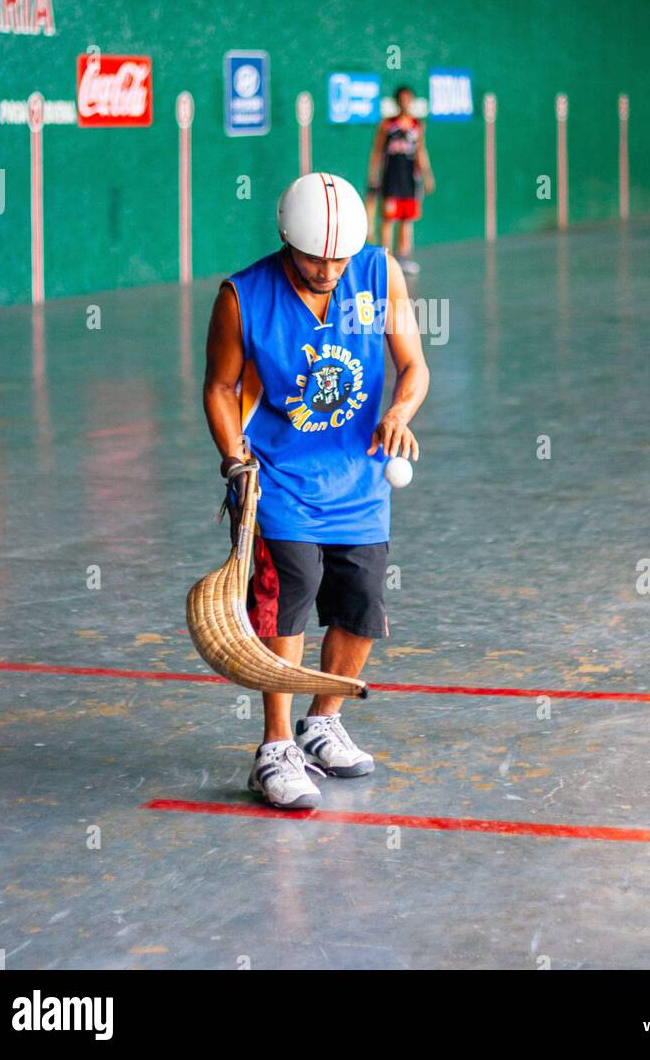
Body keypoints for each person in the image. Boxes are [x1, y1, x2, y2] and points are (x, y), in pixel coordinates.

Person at [203, 173, 430, 809]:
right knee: (288, 596)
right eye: (312, 257)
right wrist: (233, 460)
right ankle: (274, 748)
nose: (329, 269)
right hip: (279, 479)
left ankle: (322, 721)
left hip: (361, 479)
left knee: (360, 605)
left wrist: (399, 412)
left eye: (339, 257)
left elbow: (413, 366)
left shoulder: (380, 273)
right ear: (284, 240)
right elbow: (220, 387)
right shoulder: (242, 296)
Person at [366, 85, 434, 274]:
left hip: (410, 181)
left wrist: (427, 175)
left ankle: (402, 259)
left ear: (411, 101)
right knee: (388, 220)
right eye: (401, 99)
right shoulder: (387, 125)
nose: (405, 102)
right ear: (397, 101)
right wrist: (373, 177)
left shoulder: (417, 126)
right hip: (390, 180)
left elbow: (421, 151)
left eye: (408, 99)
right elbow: (377, 152)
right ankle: (385, 259)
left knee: (407, 220)